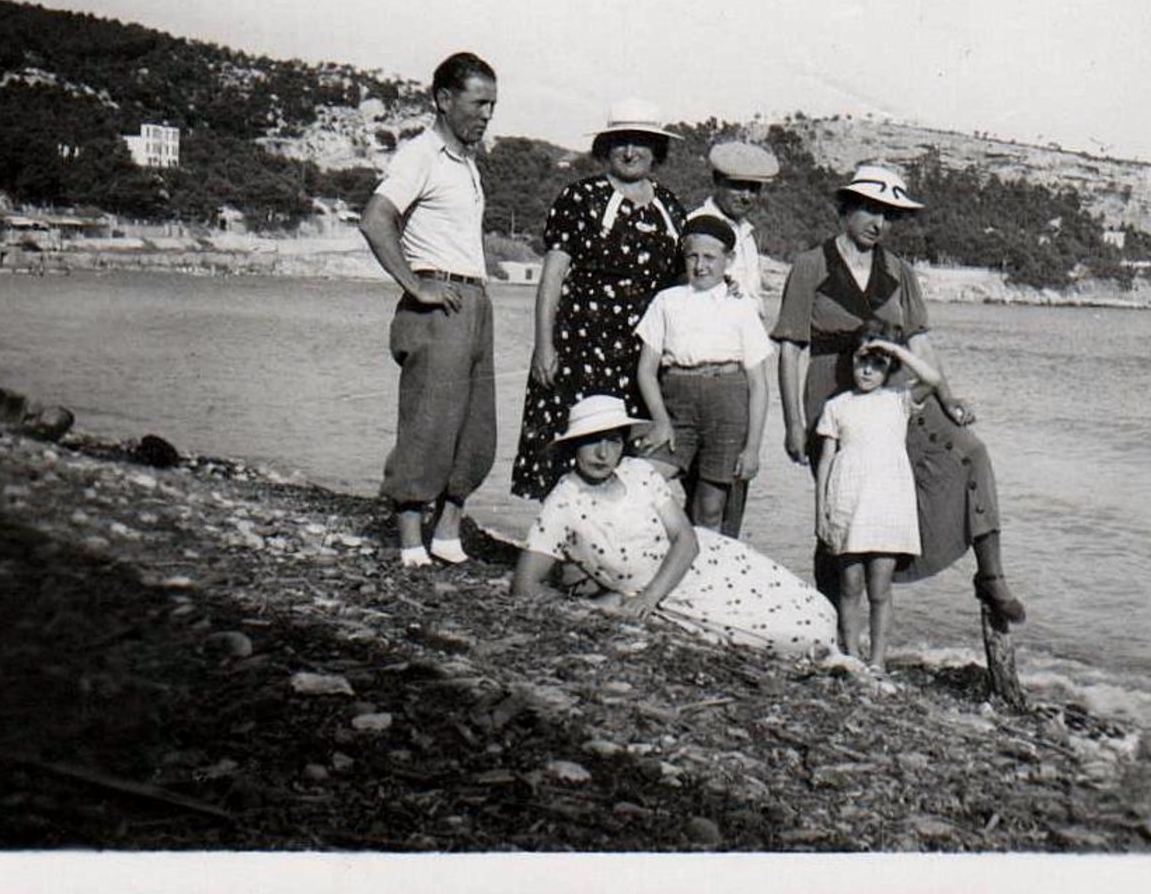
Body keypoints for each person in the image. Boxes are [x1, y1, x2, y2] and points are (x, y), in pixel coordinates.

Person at [771, 163, 1026, 629]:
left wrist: (946, 398)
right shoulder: (810, 265)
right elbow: (790, 348)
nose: (878, 223)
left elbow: (920, 343)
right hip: (829, 392)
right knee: (838, 504)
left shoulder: (899, 271)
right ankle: (830, 626)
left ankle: (991, 575)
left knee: (970, 452)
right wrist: (791, 423)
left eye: (888, 215)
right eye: (870, 209)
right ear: (845, 208)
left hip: (894, 396)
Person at [510, 395, 839, 658]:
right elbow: (525, 585)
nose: (602, 452)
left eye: (612, 441)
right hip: (674, 601)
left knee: (819, 611)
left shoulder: (638, 472)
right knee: (801, 633)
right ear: (572, 447)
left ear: (624, 442)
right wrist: (595, 607)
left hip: (705, 563)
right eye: (591, 441)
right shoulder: (563, 503)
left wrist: (649, 597)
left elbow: (685, 538)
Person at [358, 51, 499, 569]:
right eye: (479, 103)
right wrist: (416, 286)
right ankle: (410, 539)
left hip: (474, 300)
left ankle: (447, 532)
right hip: (439, 302)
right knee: (428, 422)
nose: (486, 115)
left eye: (493, 106)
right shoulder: (420, 154)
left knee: (474, 427)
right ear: (444, 99)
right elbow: (376, 220)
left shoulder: (465, 161)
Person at [510, 99, 686, 500]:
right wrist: (543, 344)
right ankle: (558, 545)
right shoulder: (580, 196)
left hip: (641, 355)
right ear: (607, 147)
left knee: (628, 451)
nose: (630, 152)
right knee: (573, 442)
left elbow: (680, 283)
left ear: (655, 151)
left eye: (641, 143)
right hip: (580, 347)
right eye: (621, 142)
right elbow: (552, 276)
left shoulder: (670, 207)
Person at [815, 323, 949, 669]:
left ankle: (877, 662)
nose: (868, 371)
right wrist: (821, 514)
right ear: (852, 362)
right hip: (848, 503)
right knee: (849, 584)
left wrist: (895, 350)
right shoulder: (837, 406)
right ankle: (851, 656)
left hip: (888, 505)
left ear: (889, 366)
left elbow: (932, 379)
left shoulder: (899, 402)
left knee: (880, 589)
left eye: (877, 364)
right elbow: (827, 462)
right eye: (862, 362)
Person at [634, 214, 772, 533]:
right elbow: (646, 370)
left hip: (727, 403)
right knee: (643, 478)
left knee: (711, 507)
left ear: (729, 260)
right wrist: (661, 420)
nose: (700, 266)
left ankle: (702, 576)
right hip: (676, 403)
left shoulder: (741, 308)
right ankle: (656, 555)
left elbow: (759, 385)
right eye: (692, 256)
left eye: (710, 257)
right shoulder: (667, 301)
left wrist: (753, 448)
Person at [686, 140, 778, 317]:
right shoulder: (695, 227)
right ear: (717, 180)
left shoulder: (746, 235)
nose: (746, 196)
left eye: (753, 188)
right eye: (738, 185)